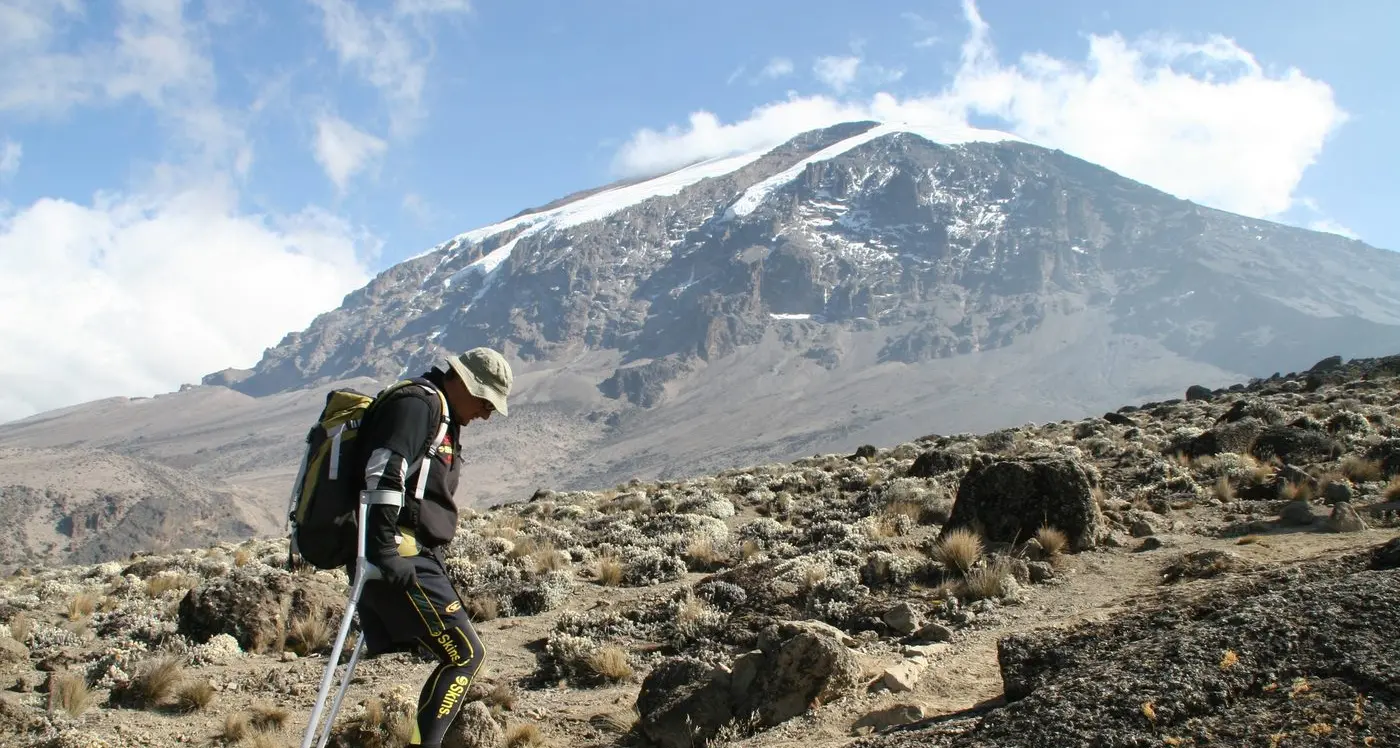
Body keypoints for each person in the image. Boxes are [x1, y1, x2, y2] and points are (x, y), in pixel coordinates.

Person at [348, 347, 512, 747]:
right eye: (484, 400)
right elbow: (385, 470)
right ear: (460, 381)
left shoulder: (441, 413)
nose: (487, 414)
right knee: (466, 654)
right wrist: (385, 551)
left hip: (410, 552)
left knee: (460, 654)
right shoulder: (419, 405)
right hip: (401, 552)